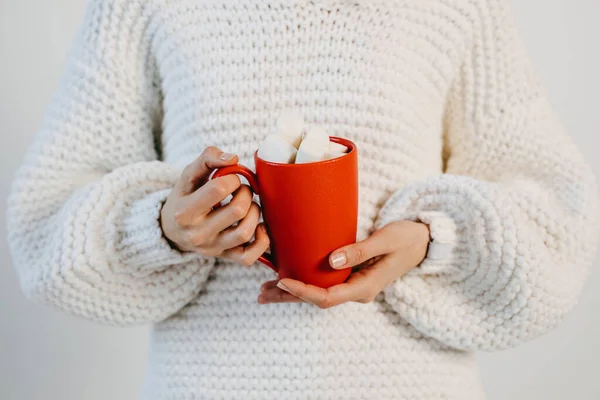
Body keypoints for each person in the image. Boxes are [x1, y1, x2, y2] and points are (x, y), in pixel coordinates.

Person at [7, 0, 599, 398]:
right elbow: (43, 229)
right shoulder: (141, 8)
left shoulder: (457, 10)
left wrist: (434, 241)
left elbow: (557, 228)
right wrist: (160, 226)